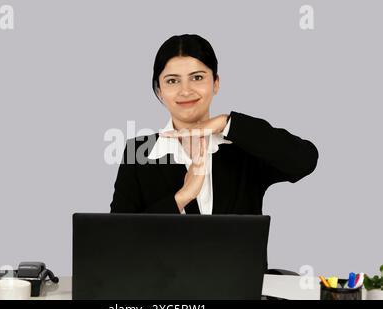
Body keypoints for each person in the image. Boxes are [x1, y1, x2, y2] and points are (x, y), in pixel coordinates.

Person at [110, 34, 318, 215]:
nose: (185, 90)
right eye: (172, 81)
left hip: (239, 263)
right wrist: (182, 197)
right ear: (159, 90)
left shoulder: (243, 145)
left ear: (216, 83)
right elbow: (118, 239)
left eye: (197, 77)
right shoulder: (138, 153)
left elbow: (304, 161)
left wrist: (226, 123)